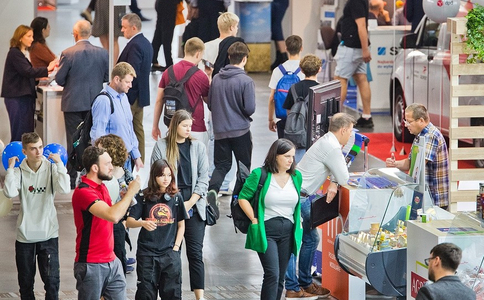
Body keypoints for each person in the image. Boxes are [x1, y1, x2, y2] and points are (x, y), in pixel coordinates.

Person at [284, 113, 355, 299]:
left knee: (308, 238)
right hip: (299, 197)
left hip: (299, 194)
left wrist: (333, 180)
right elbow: (344, 177)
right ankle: (295, 286)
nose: (350, 137)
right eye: (350, 132)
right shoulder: (332, 147)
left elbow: (336, 173)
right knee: (296, 240)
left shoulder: (326, 140)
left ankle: (304, 283)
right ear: (344, 129)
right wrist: (335, 179)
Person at [151, 109, 210, 300]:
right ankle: (173, 295)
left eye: (190, 126)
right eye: (184, 126)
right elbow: (156, 175)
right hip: (169, 205)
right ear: (174, 126)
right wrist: (175, 203)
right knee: (171, 253)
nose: (188, 129)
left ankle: (200, 296)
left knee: (195, 253)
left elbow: (203, 179)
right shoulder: (161, 146)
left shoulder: (198, 147)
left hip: (193, 204)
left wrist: (191, 202)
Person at [3, 132, 70, 300]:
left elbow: (64, 189)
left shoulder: (51, 167)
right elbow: (10, 192)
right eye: (33, 149)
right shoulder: (19, 171)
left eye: (40, 147)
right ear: (24, 151)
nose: (39, 152)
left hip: (49, 234)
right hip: (25, 236)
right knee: (25, 285)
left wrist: (60, 165)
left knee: (52, 283)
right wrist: (10, 170)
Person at [72, 146, 140, 300]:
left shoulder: (103, 187)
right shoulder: (84, 192)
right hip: (91, 264)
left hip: (111, 260)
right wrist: (131, 192)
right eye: (108, 164)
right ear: (95, 168)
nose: (112, 167)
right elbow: (113, 215)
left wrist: (125, 199)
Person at [238, 138, 303, 300]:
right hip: (267, 231)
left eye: (292, 156)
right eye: (287, 156)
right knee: (272, 274)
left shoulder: (296, 176)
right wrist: (253, 219)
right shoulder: (260, 175)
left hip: (288, 231)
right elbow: (243, 197)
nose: (291, 160)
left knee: (280, 277)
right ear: (275, 156)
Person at [55, 20, 109, 188]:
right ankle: (91, 177)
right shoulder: (102, 53)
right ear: (90, 33)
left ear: (75, 34)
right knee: (92, 141)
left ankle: (71, 180)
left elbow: (59, 79)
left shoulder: (68, 53)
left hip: (72, 104)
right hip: (94, 104)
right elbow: (106, 77)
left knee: (74, 142)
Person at [127, 159, 186, 300]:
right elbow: (129, 222)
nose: (166, 179)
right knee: (145, 294)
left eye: (169, 175)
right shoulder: (143, 196)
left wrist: (176, 248)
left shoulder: (176, 197)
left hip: (170, 255)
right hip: (147, 255)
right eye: (162, 175)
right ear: (154, 176)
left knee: (172, 294)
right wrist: (142, 224)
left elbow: (181, 225)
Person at [206, 42, 256, 203]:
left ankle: (213, 190)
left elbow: (211, 105)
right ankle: (238, 198)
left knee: (221, 165)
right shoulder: (245, 81)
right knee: (243, 167)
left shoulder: (217, 79)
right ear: (244, 58)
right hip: (240, 131)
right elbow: (250, 108)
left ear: (229, 57)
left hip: (220, 131)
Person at [198, 12, 240, 196]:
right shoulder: (237, 47)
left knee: (215, 138)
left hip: (213, 98)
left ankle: (212, 176)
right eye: (236, 26)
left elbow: (203, 76)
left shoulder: (207, 47)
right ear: (232, 27)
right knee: (232, 138)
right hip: (231, 100)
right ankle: (226, 182)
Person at [385, 103, 449, 209]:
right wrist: (395, 164)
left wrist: (404, 186)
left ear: (421, 121)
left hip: (434, 199)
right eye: (405, 121)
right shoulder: (420, 135)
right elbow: (411, 162)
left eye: (409, 122)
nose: (405, 125)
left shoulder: (430, 136)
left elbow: (418, 165)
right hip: (424, 197)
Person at [1, 25, 56, 142]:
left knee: (26, 130)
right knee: (20, 131)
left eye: (32, 36)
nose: (32, 39)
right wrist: (47, 69)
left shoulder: (21, 54)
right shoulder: (14, 53)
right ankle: (16, 158)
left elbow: (25, 75)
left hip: (23, 98)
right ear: (20, 37)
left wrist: (39, 78)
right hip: (17, 98)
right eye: (29, 36)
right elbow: (27, 71)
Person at [152, 37, 210, 144]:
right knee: (196, 160)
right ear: (198, 54)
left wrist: (155, 126)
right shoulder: (201, 76)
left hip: (173, 127)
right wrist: (210, 76)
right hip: (195, 128)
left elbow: (159, 100)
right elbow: (208, 101)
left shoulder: (168, 72)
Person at [90, 62, 144, 172]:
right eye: (127, 82)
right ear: (116, 79)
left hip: (126, 159)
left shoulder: (124, 97)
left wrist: (136, 156)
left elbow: (129, 128)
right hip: (112, 162)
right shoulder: (104, 101)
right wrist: (104, 163)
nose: (130, 85)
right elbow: (97, 134)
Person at [94, 134, 134, 275]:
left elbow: (133, 202)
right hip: (98, 223)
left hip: (118, 224)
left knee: (118, 260)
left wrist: (126, 221)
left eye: (101, 151)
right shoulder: (95, 173)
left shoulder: (126, 175)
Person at [118, 13, 153, 163]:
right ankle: (140, 161)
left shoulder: (135, 45)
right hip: (141, 96)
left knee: (125, 129)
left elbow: (131, 73)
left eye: (124, 27)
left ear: (133, 27)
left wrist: (125, 95)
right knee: (138, 128)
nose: (121, 30)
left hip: (131, 96)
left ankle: (127, 161)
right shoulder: (145, 42)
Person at [334, 0, 373, 128]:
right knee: (361, 78)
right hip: (358, 48)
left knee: (340, 79)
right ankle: (367, 116)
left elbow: (361, 25)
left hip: (351, 48)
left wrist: (365, 49)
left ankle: (336, 116)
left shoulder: (355, 1)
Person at [281, 54, 321, 163]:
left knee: (297, 165)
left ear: (302, 70)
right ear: (319, 69)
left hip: (297, 134)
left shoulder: (294, 88)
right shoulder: (320, 89)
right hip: (315, 135)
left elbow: (289, 110)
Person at [268, 35, 304, 139]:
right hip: (301, 117)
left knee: (284, 149)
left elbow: (271, 98)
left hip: (283, 117)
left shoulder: (278, 70)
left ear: (286, 49)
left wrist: (271, 119)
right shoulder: (305, 69)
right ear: (301, 48)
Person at [151, 0, 179, 72]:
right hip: (169, 5)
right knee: (167, 34)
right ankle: (169, 63)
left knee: (159, 33)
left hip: (161, 3)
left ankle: (154, 60)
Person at [270, 0, 290, 70]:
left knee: (276, 26)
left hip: (279, 2)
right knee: (274, 26)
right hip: (278, 2)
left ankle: (284, 57)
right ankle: (279, 57)